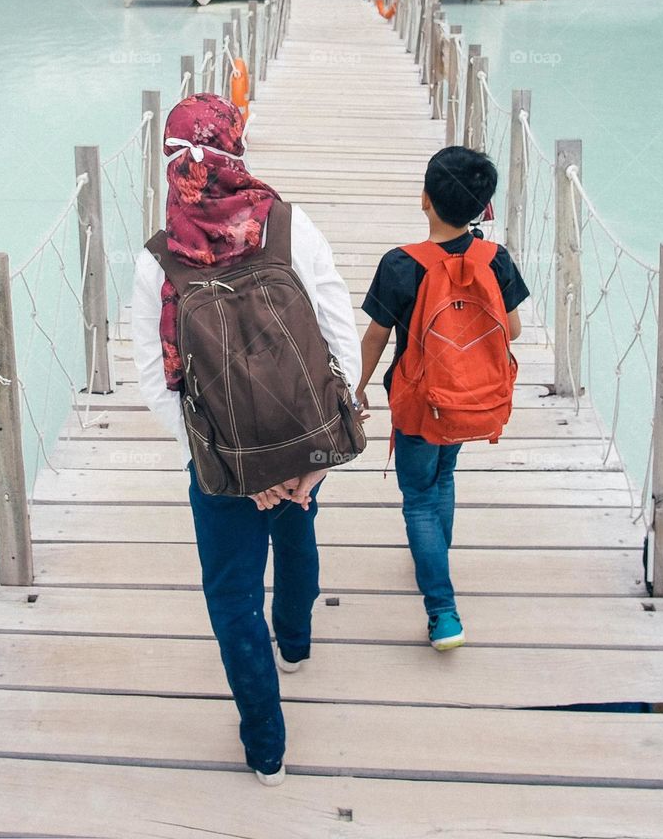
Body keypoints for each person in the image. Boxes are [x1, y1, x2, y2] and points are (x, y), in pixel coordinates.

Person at [131, 93, 361, 785]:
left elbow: (154, 382)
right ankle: (295, 642)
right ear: (238, 151)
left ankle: (267, 746)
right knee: (297, 532)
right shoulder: (292, 227)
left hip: (218, 462)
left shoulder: (156, 262)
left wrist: (227, 466)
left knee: (232, 598)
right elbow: (337, 336)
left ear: (171, 165)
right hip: (301, 436)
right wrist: (321, 450)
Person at [357, 146, 529, 650]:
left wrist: (358, 386)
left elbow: (375, 337)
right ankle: (435, 555)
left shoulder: (399, 264)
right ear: (481, 208)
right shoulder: (496, 260)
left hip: (418, 403)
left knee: (418, 499)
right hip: (470, 399)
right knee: (444, 476)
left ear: (424, 199)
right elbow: (513, 331)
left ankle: (443, 611)